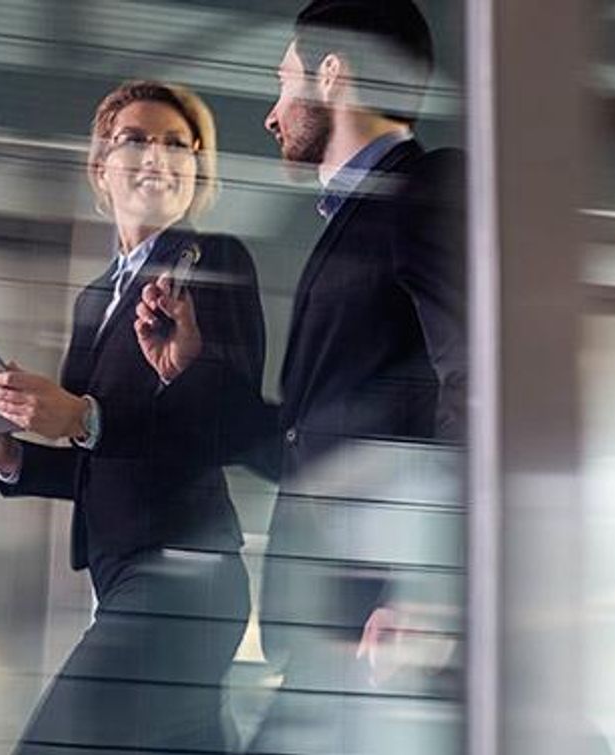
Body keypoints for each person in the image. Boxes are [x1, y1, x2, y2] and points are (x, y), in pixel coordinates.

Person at [134, 1, 466, 751]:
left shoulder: (424, 190)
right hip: (336, 622)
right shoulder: (357, 218)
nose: (272, 113)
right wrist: (194, 370)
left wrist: (427, 587)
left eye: (284, 82)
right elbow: (304, 445)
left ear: (332, 75)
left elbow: (477, 384)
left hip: (385, 623)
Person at [0, 80, 266, 754]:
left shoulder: (213, 262)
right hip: (121, 573)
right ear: (100, 167)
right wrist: (16, 458)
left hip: (184, 574)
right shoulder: (96, 298)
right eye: (135, 140)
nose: (158, 155)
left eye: (177, 145)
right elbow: (101, 458)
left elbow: (224, 424)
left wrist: (82, 416)